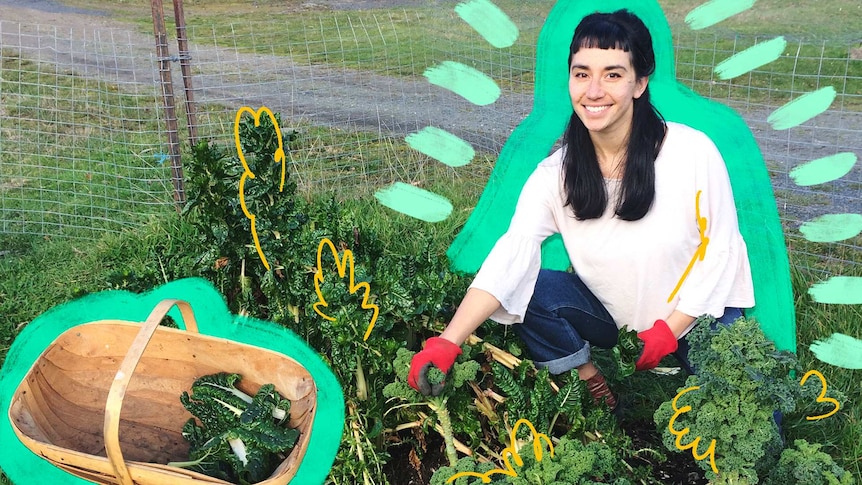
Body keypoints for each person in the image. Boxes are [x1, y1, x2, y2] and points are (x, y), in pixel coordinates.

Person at [407, 9, 755, 410]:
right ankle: (588, 374)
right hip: (616, 320)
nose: (593, 91)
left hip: (697, 316)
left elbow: (721, 249)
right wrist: (447, 342)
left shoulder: (692, 152)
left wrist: (669, 330)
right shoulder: (555, 173)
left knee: (753, 406)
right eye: (581, 73)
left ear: (640, 83)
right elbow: (512, 255)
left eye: (613, 74)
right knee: (531, 285)